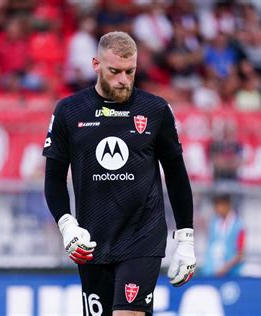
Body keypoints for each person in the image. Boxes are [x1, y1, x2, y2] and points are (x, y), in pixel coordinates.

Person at [43, 31, 195, 316]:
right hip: (92, 241)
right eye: (115, 71)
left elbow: (176, 174)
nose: (123, 80)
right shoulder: (69, 111)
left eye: (130, 71)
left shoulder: (155, 110)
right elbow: (53, 178)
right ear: (96, 65)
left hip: (142, 237)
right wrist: (67, 225)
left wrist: (185, 239)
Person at [202, 192, 245, 277]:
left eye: (220, 205)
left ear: (227, 205)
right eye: (216, 205)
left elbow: (240, 252)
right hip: (211, 271)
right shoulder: (213, 222)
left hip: (231, 272)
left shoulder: (239, 225)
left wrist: (226, 267)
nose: (217, 209)